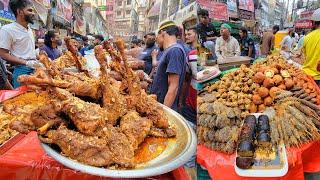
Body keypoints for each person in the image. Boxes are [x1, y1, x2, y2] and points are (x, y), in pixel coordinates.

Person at [0, 0, 43, 88]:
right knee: (23, 99)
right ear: (20, 12)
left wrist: (40, 57)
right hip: (21, 71)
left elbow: (27, 51)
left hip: (35, 69)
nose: (33, 13)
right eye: (30, 10)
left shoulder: (30, 29)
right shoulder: (7, 29)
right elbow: (3, 53)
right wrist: (26, 63)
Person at [150, 21, 187, 111]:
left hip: (164, 107)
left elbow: (173, 87)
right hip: (158, 104)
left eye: (156, 38)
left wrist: (164, 113)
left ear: (163, 33)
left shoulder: (175, 51)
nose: (156, 41)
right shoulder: (169, 51)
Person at [302, 8, 320, 85]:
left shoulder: (307, 37)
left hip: (306, 75)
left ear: (314, 22)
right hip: (318, 77)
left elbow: (305, 56)